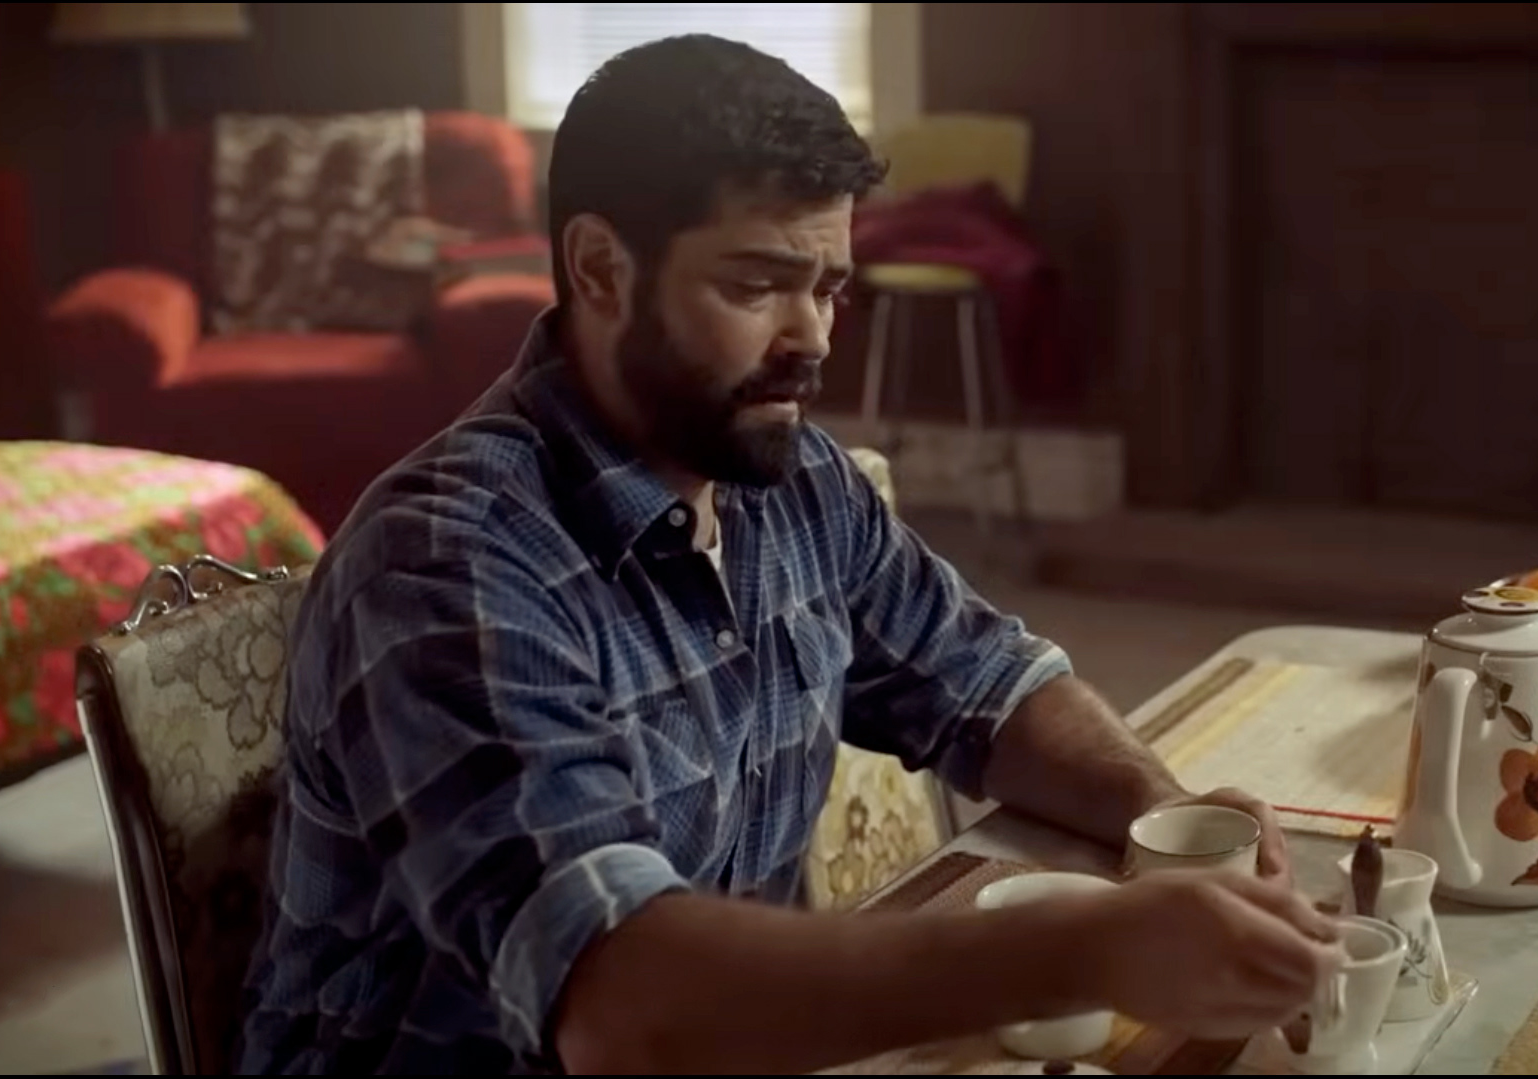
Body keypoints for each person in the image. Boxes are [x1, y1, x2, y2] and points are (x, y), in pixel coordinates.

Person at [238, 34, 1337, 1076]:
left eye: (828, 288)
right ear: (601, 267)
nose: (811, 336)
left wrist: (1166, 821)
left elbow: (990, 688)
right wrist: (1079, 951)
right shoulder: (447, 566)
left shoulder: (791, 475)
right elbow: (624, 1010)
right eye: (756, 284)